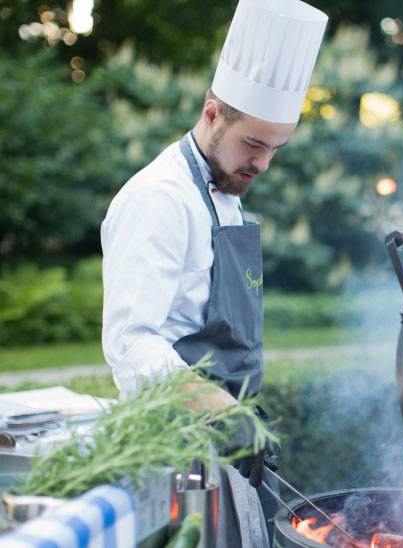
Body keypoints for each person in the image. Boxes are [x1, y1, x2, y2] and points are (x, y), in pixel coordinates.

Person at [100, 0, 328, 546]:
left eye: (276, 148)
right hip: (177, 455)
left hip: (225, 446)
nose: (263, 165)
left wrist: (241, 403)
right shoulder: (159, 199)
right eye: (253, 143)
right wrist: (222, 408)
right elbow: (132, 346)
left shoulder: (226, 189)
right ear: (211, 112)